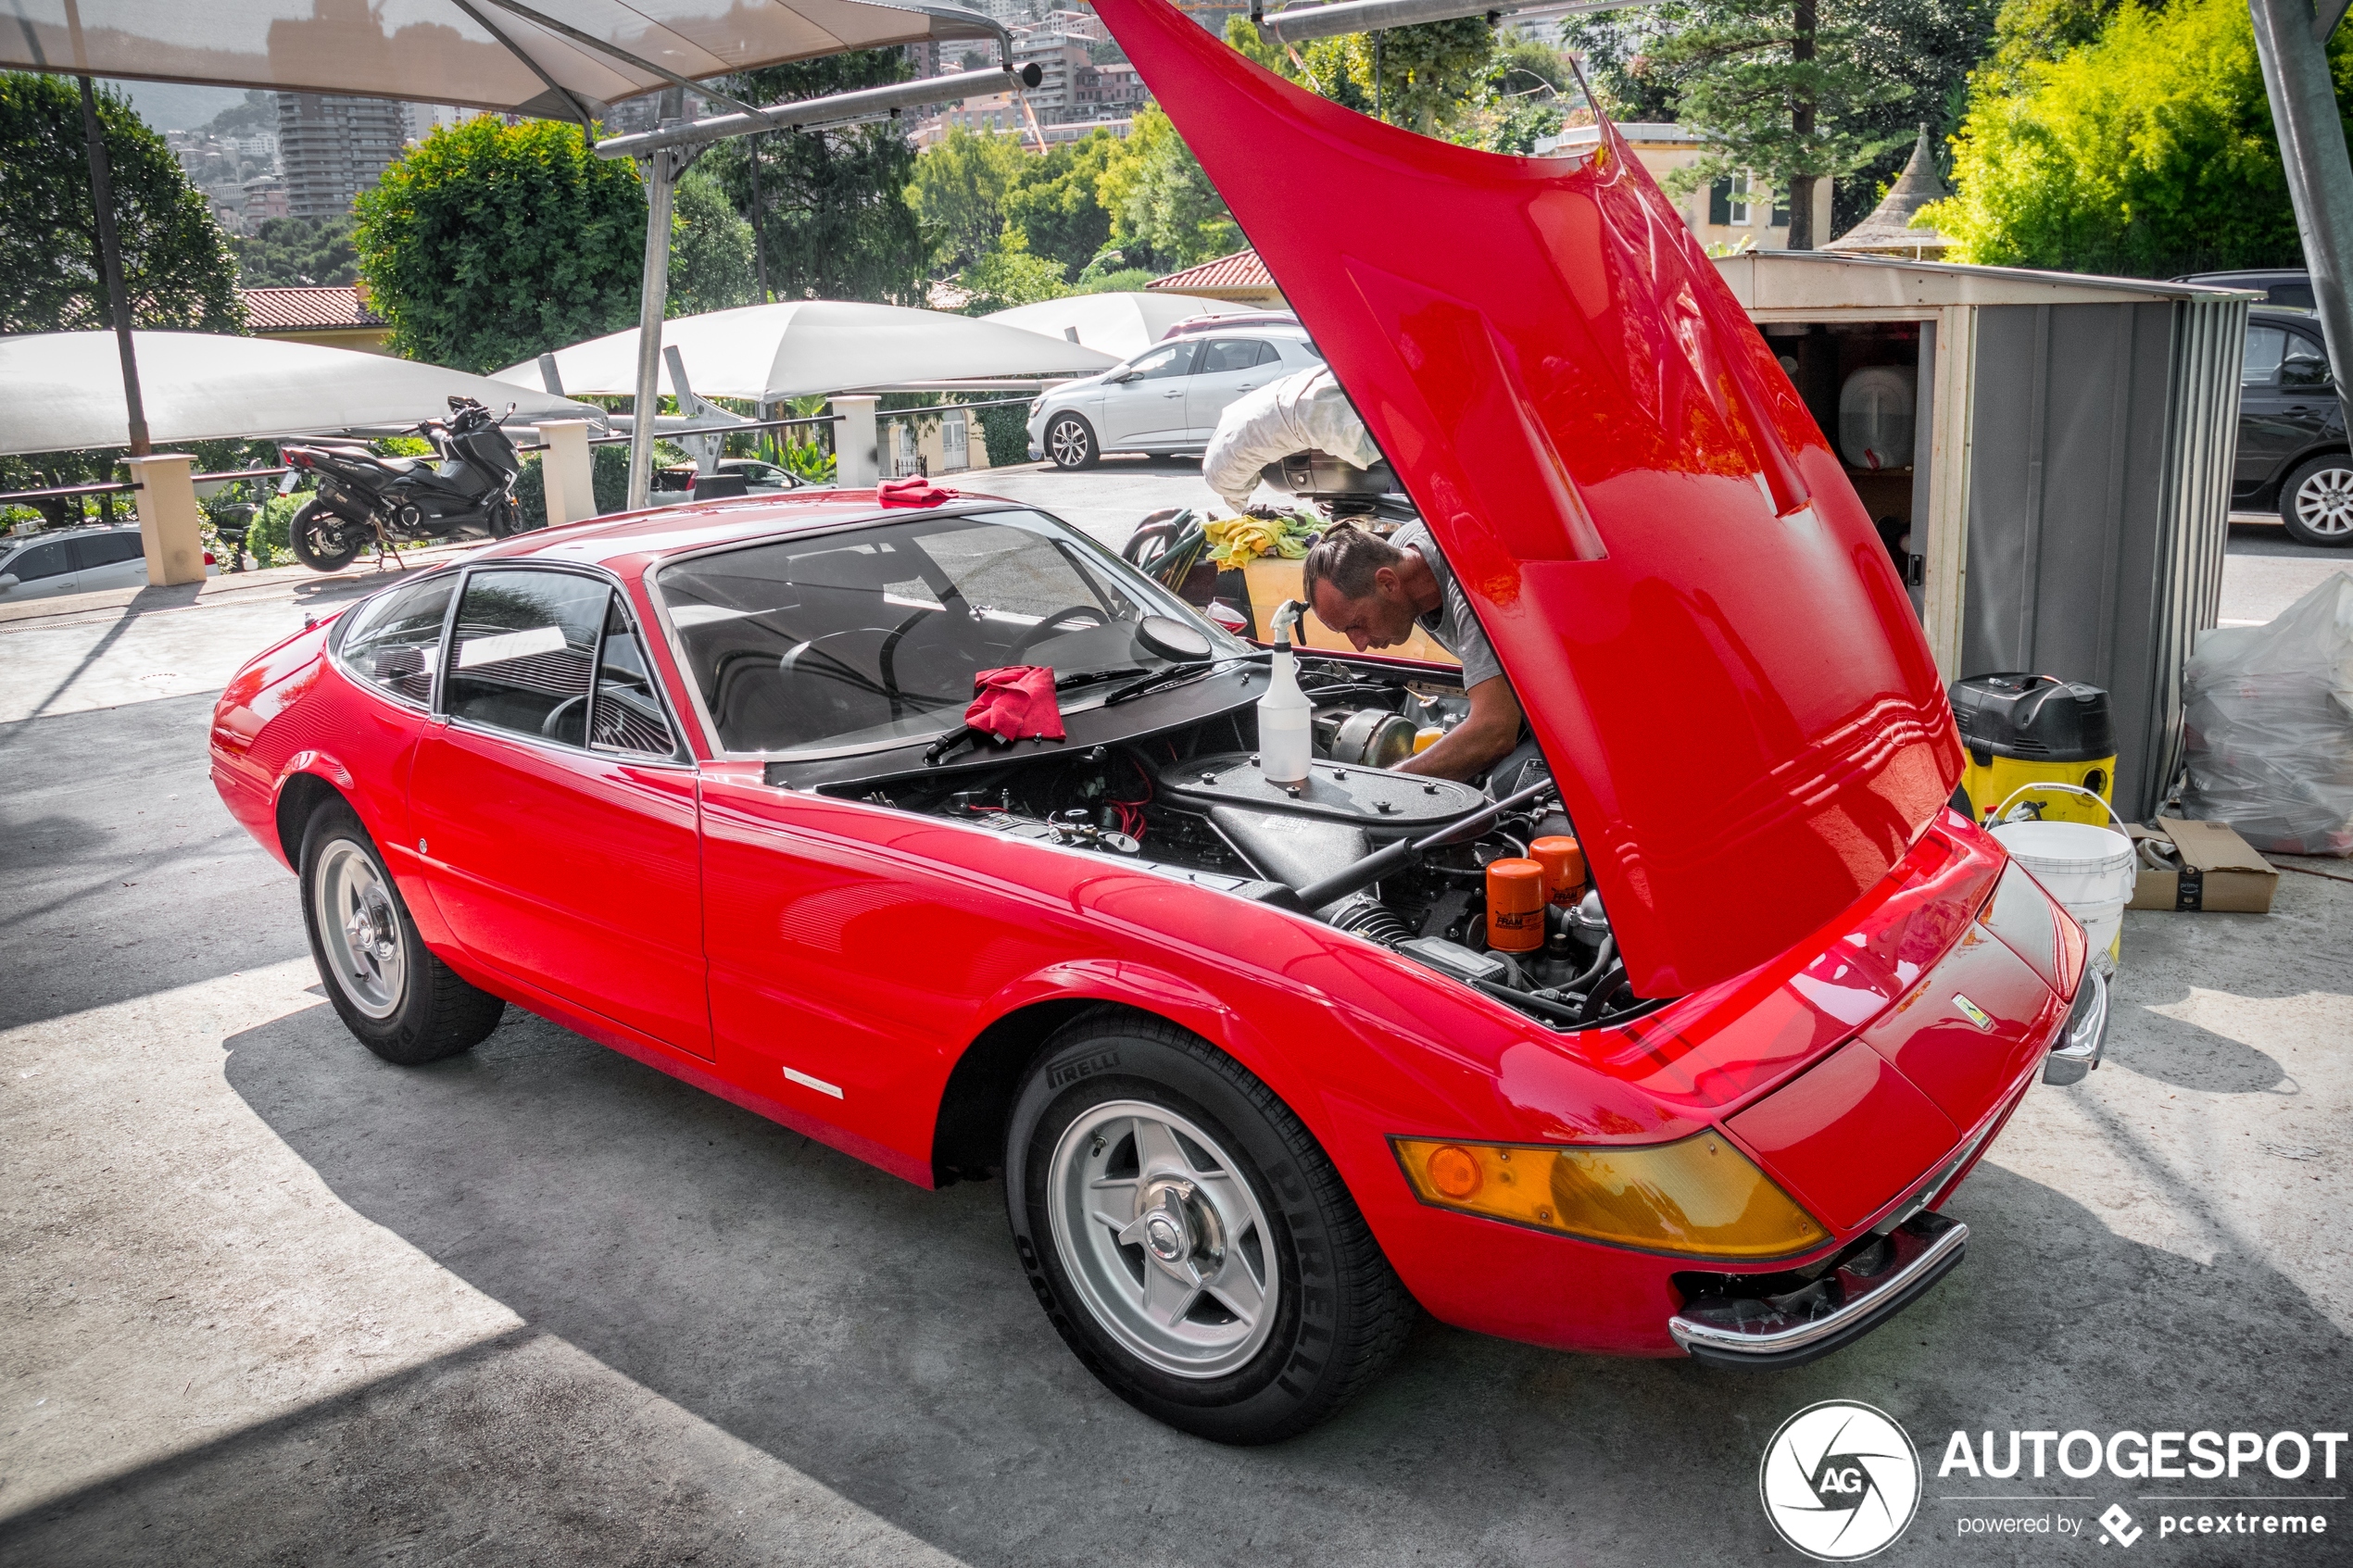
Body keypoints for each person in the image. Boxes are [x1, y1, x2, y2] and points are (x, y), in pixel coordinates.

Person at [1300, 521, 1534, 786]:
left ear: (1388, 583)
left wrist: (1386, 784)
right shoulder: (1400, 551)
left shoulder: (1475, 590)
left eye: (1356, 624)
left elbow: (1494, 732)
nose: (1360, 644)